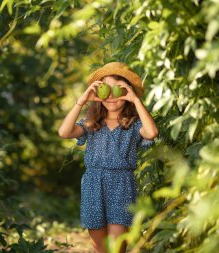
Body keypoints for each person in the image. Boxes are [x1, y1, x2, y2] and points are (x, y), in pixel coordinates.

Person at [58, 62, 158, 253]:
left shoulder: (134, 124)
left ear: (126, 93)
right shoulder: (91, 123)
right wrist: (82, 100)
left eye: (117, 90)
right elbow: (64, 132)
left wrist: (136, 100)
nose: (111, 96)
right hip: (93, 184)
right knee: (101, 250)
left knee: (116, 249)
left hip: (122, 185)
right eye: (106, 90)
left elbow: (152, 133)